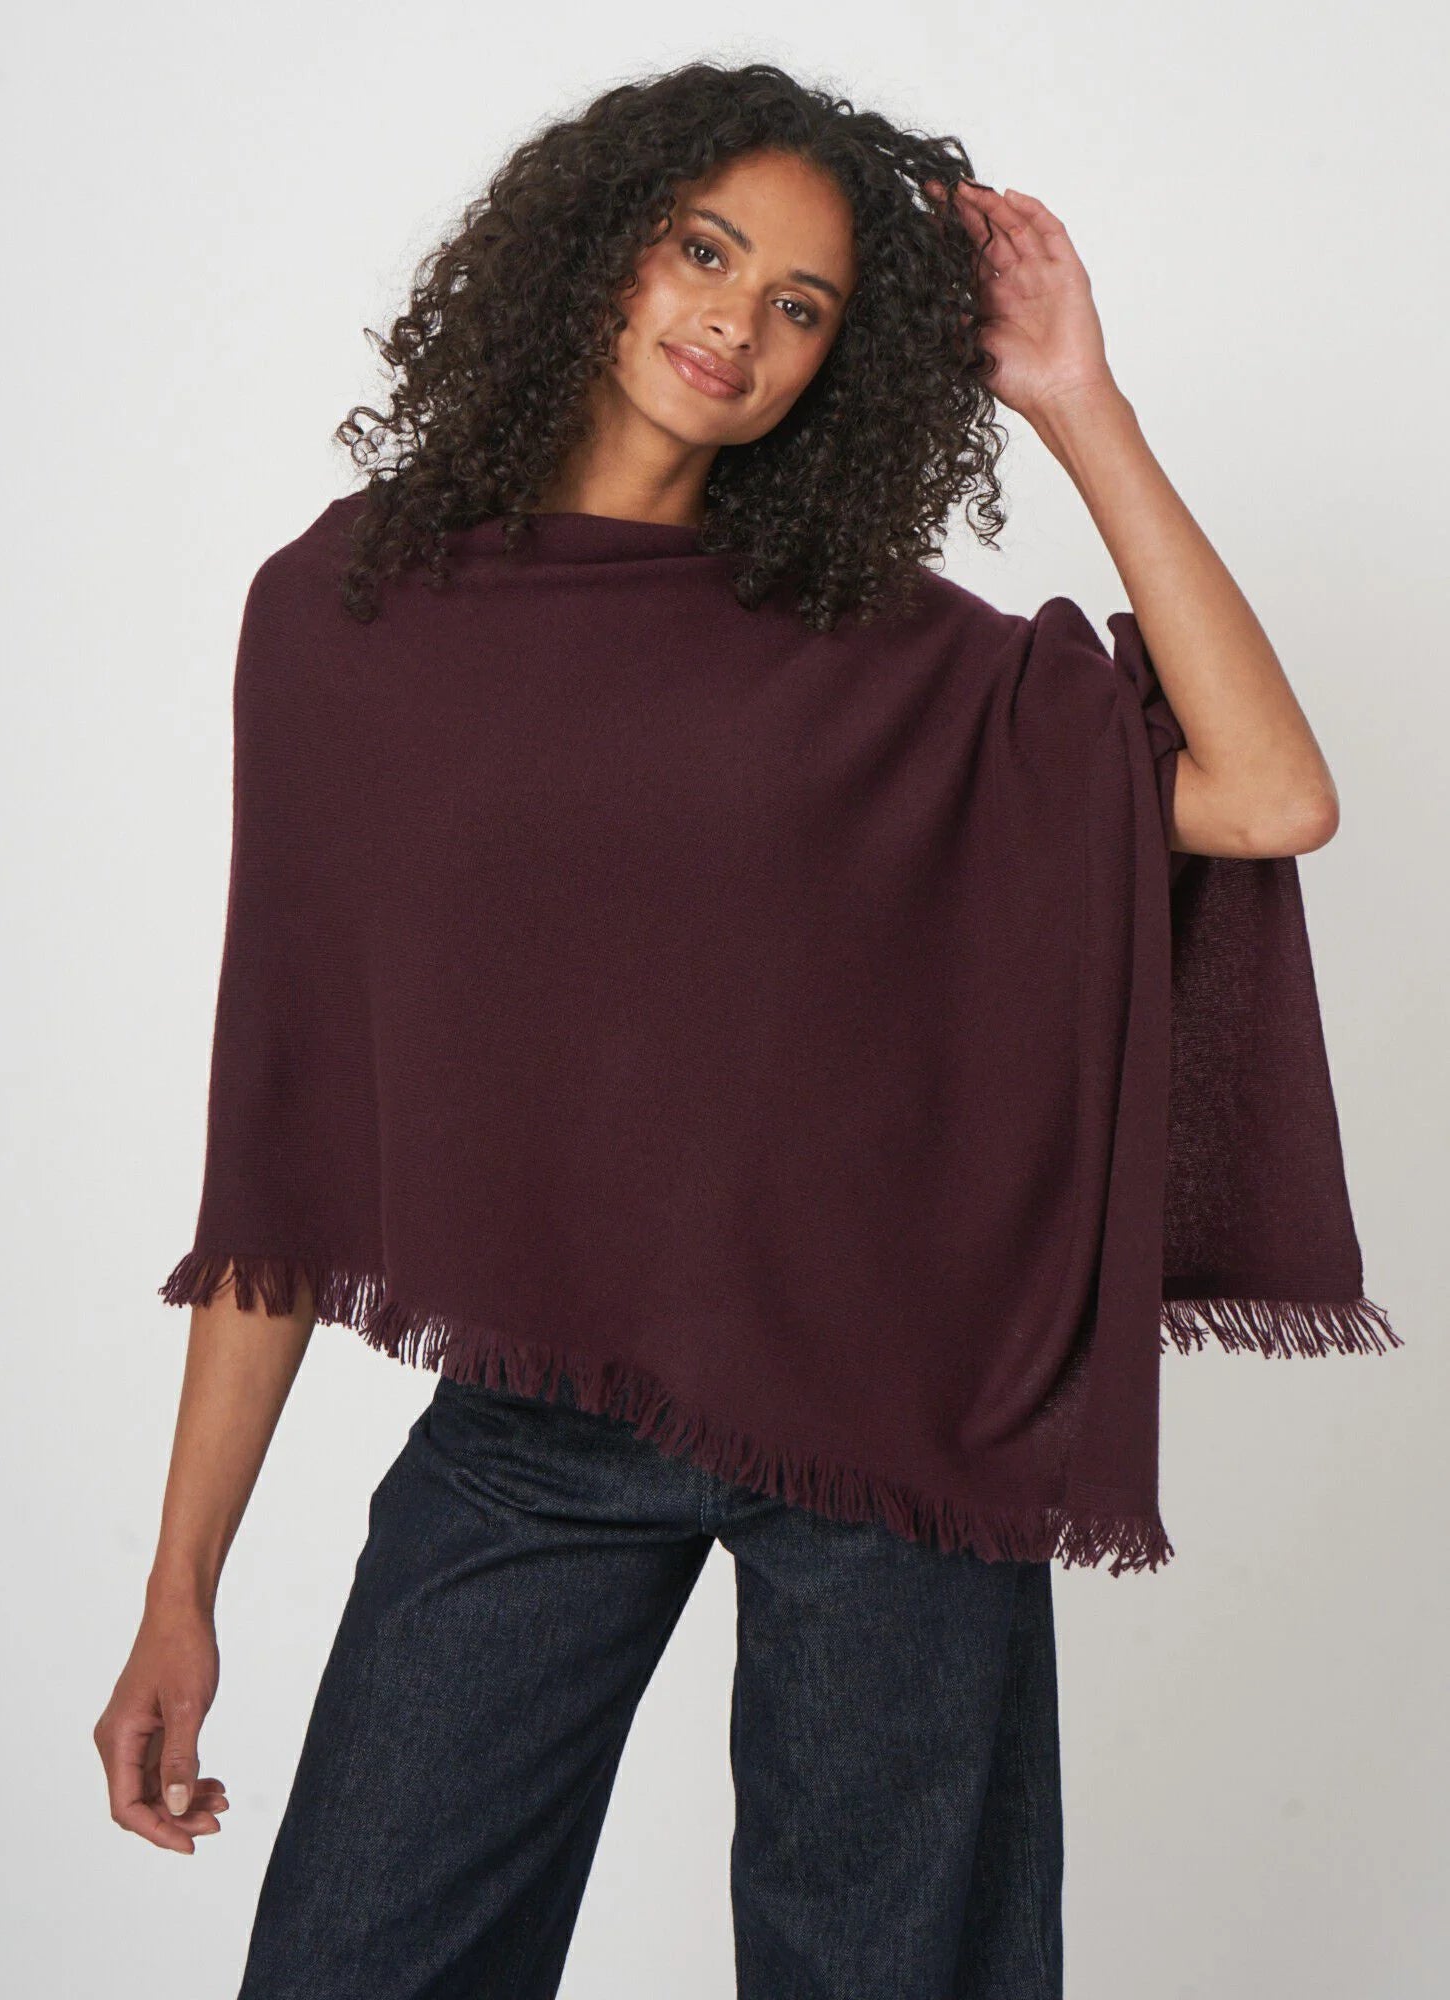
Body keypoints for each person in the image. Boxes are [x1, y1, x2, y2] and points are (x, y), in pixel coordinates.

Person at [93, 60, 1395, 2000]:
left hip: (891, 1426)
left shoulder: (873, 643)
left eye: (803, 305)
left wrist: (1077, 401)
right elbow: (275, 1140)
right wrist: (178, 1589)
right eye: (707, 254)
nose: (739, 325)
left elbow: (1271, 793)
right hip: (535, 1427)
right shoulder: (341, 613)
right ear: (599, 248)